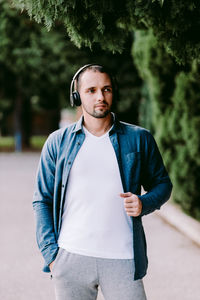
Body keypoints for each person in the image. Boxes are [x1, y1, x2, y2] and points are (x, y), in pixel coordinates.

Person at [33, 64, 172, 300]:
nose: (100, 97)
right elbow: (42, 200)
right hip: (71, 258)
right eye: (91, 90)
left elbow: (163, 184)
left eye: (106, 89)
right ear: (77, 96)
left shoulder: (139, 139)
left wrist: (143, 203)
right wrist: (52, 256)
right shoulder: (58, 142)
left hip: (124, 259)